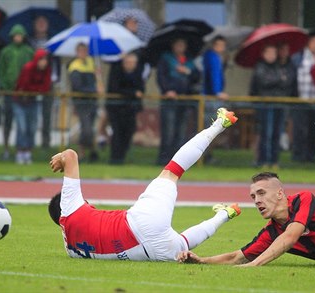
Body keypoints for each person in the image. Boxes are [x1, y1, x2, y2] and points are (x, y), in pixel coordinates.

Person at [48, 108, 241, 261]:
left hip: (147, 253)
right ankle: (220, 124)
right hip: (138, 224)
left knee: (183, 243)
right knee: (172, 171)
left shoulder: (70, 250)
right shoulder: (69, 205)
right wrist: (61, 157)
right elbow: (71, 155)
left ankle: (226, 213)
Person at [178, 172, 315, 267]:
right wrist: (201, 260)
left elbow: (291, 236)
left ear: (280, 193)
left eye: (261, 193)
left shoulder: (303, 199)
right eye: (253, 197)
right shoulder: (271, 232)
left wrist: (256, 265)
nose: (257, 201)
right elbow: (238, 257)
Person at [156, 38, 200, 165]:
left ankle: (177, 161)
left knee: (181, 132)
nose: (180, 47)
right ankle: (164, 159)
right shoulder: (166, 58)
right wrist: (167, 90)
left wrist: (187, 71)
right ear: (173, 46)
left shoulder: (190, 61)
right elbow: (160, 77)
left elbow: (197, 76)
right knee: (168, 131)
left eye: (182, 45)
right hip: (170, 99)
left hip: (185, 99)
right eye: (178, 44)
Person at [0, 25, 34, 160]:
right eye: (16, 35)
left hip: (24, 93)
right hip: (8, 92)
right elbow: (1, 70)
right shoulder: (6, 51)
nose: (18, 37)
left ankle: (22, 149)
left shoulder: (28, 51)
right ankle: (5, 147)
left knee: (23, 123)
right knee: (7, 121)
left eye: (20, 35)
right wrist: (4, 86)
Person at [12, 48, 52, 164]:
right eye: (42, 59)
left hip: (33, 102)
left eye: (45, 60)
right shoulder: (28, 68)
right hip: (20, 101)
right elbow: (25, 85)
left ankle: (28, 152)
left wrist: (36, 90)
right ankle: (20, 152)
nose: (44, 62)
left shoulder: (47, 70)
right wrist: (36, 89)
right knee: (22, 127)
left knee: (32, 128)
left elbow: (45, 87)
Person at [249, 45, 284, 169]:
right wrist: (278, 80)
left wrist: (278, 80)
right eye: (269, 52)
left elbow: (286, 82)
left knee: (276, 134)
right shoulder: (260, 67)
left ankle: (274, 161)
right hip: (265, 105)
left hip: (278, 104)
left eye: (273, 53)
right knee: (265, 134)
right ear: (263, 54)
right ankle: (263, 160)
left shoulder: (279, 67)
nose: (271, 56)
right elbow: (263, 82)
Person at [106, 53, 144, 164]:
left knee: (129, 132)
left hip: (130, 109)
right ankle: (115, 158)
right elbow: (115, 88)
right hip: (116, 108)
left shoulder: (137, 73)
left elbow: (141, 88)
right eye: (128, 62)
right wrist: (133, 93)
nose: (131, 65)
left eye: (133, 63)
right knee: (117, 133)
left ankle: (122, 157)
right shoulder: (116, 71)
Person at [291, 33, 315, 163]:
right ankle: (298, 155)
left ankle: (311, 155)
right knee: (299, 129)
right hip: (301, 99)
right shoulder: (299, 58)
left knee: (313, 129)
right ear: (308, 43)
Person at [68, 43, 102, 162]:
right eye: (81, 51)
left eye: (85, 51)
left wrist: (97, 75)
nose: (83, 53)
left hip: (92, 101)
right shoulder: (74, 66)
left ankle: (90, 152)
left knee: (90, 128)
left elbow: (94, 82)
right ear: (77, 52)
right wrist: (94, 90)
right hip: (81, 102)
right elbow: (77, 86)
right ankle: (83, 152)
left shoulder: (90, 63)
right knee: (86, 128)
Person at [28, 15, 57, 148]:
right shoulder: (30, 41)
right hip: (33, 82)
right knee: (31, 114)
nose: (41, 25)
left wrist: (56, 78)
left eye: (43, 22)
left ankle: (46, 142)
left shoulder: (53, 41)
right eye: (38, 22)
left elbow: (56, 62)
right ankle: (30, 143)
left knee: (47, 114)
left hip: (48, 82)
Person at [201, 35, 229, 164]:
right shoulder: (212, 57)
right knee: (210, 127)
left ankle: (205, 155)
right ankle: (205, 156)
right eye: (220, 45)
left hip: (209, 96)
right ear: (214, 45)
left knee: (209, 127)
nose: (222, 48)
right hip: (210, 97)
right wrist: (218, 92)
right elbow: (214, 75)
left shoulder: (214, 57)